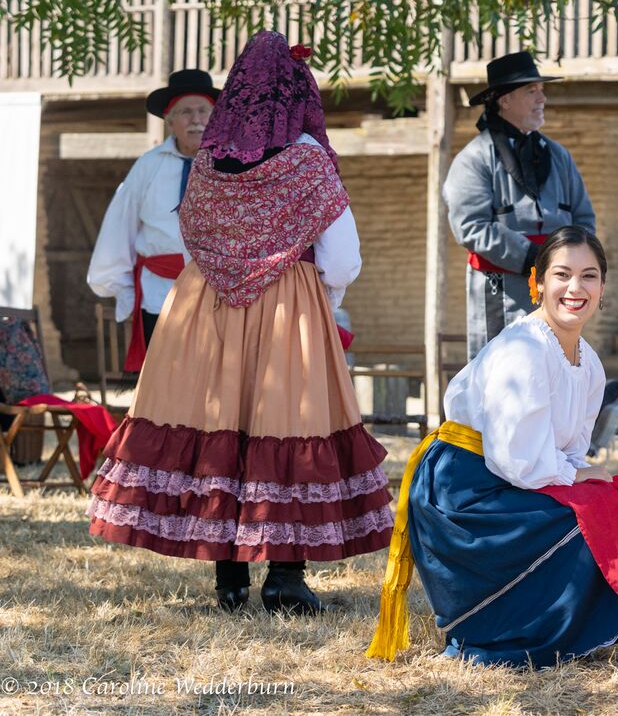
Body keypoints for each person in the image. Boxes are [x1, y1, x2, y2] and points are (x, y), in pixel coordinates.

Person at [86, 32, 393, 614]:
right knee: (285, 425)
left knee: (222, 427)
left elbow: (193, 234)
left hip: (208, 306)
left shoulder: (206, 160)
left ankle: (229, 578)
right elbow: (342, 256)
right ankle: (284, 575)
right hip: (287, 306)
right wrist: (321, 295)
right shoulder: (307, 159)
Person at [367, 226, 618, 668]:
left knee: (611, 501)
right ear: (538, 282)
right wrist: (575, 479)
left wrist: (582, 478)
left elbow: (567, 450)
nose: (575, 288)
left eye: (589, 276)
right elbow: (517, 459)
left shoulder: (590, 364)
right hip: (463, 489)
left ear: (603, 287)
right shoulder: (524, 350)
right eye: (562, 275)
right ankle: (505, 627)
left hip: (511, 472)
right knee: (585, 518)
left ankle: (583, 626)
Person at [443, 51, 596, 359]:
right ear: (505, 100)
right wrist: (535, 258)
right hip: (501, 291)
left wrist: (569, 264)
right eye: (531, 91)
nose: (542, 98)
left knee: (559, 366)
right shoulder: (474, 159)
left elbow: (583, 219)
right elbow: (471, 228)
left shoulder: (559, 155)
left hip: (559, 290)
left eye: (541, 90)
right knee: (503, 370)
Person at [87, 69, 219, 371]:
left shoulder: (233, 164)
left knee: (213, 386)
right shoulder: (148, 166)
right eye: (185, 112)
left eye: (203, 110)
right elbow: (120, 226)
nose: (196, 119)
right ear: (170, 121)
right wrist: (123, 289)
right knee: (165, 388)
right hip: (160, 295)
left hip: (219, 296)